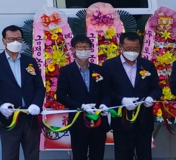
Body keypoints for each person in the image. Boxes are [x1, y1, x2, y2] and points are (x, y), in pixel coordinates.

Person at [0, 25, 44, 160]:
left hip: (30, 116)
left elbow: (40, 87)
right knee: (10, 155)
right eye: (11, 39)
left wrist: (36, 104)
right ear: (3, 41)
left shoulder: (30, 61)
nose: (15, 42)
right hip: (9, 117)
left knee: (33, 155)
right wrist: (0, 105)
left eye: (18, 39)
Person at [103, 32, 161, 160]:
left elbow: (156, 88)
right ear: (121, 47)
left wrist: (151, 97)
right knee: (123, 156)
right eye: (129, 48)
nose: (132, 52)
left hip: (144, 121)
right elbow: (106, 91)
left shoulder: (147, 65)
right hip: (121, 122)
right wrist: (122, 100)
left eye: (136, 49)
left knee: (145, 156)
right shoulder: (110, 66)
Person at [56, 35, 111, 160]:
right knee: (79, 155)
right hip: (78, 122)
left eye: (86, 47)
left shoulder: (99, 70)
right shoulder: (66, 71)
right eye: (79, 47)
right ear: (73, 49)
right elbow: (61, 95)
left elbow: (107, 92)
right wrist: (80, 106)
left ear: (91, 49)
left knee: (98, 155)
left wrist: (104, 104)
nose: (83, 50)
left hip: (98, 121)